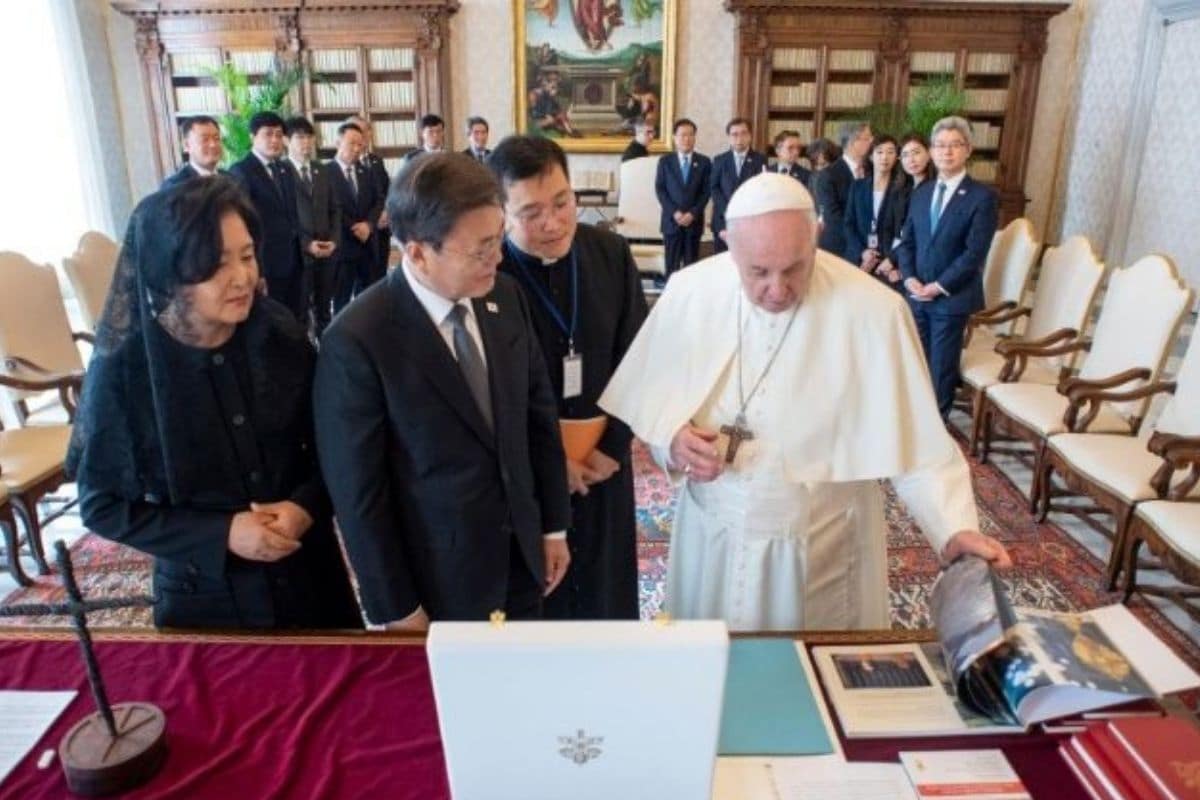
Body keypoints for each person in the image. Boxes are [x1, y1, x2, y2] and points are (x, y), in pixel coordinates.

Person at [599, 173, 1010, 632]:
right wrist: (672, 441)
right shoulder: (690, 292)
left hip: (821, 546)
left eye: (795, 267)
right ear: (728, 244)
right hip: (714, 538)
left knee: (813, 683)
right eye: (757, 272)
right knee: (710, 675)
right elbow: (655, 406)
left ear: (816, 236)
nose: (778, 289)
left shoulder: (872, 310)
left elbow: (917, 445)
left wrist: (953, 528)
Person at [66, 177, 361, 630]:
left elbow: (332, 448)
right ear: (170, 274)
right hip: (204, 595)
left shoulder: (279, 333)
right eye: (216, 265)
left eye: (247, 256)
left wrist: (305, 506)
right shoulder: (127, 369)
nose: (242, 277)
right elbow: (102, 505)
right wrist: (221, 533)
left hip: (309, 574)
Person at [313, 153, 571, 629]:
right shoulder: (358, 339)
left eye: (497, 239)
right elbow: (360, 497)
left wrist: (553, 526)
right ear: (416, 252)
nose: (496, 257)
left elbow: (537, 419)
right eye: (480, 249)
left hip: (521, 557)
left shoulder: (505, 296)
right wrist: (397, 607)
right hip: (437, 582)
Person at [488, 135, 648, 619]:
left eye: (562, 202)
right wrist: (549, 462)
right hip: (528, 470)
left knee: (604, 588)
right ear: (501, 214)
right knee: (541, 596)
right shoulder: (489, 278)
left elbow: (640, 359)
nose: (553, 223)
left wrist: (612, 449)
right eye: (531, 213)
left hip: (604, 463)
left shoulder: (610, 254)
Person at [893, 117, 998, 420]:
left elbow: (974, 252)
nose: (946, 152)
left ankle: (936, 428)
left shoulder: (983, 197)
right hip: (916, 292)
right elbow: (907, 240)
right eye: (939, 145)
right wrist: (910, 277)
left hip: (951, 297)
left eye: (954, 145)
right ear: (931, 150)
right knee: (916, 361)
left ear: (968, 150)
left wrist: (937, 286)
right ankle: (914, 421)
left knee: (941, 366)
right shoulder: (922, 192)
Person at [228, 111, 306, 321]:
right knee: (270, 321)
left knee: (295, 317)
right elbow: (243, 225)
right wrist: (257, 269)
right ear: (253, 137)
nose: (274, 140)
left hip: (293, 261)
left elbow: (292, 216)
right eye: (268, 134)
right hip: (267, 264)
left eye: (279, 135)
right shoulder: (240, 171)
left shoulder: (284, 169)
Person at [282, 116, 339, 335]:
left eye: (309, 137)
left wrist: (334, 240)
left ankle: (326, 353)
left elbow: (335, 209)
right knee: (300, 311)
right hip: (299, 253)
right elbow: (284, 217)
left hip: (327, 250)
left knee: (325, 308)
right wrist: (306, 244)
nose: (306, 143)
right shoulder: (282, 171)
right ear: (287, 141)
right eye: (299, 138)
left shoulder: (322, 170)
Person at [327, 122, 383, 313]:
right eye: (352, 143)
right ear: (337, 142)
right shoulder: (325, 173)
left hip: (367, 246)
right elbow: (331, 208)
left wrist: (368, 224)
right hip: (342, 248)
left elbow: (379, 201)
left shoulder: (366, 172)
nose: (357, 149)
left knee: (368, 302)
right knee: (340, 302)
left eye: (360, 145)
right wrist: (354, 227)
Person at [844, 134, 905, 290]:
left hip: (889, 265)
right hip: (860, 261)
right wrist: (862, 252)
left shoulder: (903, 190)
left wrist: (892, 259)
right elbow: (849, 224)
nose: (885, 157)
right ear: (871, 156)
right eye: (879, 152)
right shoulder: (858, 187)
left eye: (890, 152)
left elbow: (905, 231)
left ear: (897, 157)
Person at [655, 118, 710, 276]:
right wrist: (675, 212)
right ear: (674, 137)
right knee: (671, 268)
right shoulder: (665, 162)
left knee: (691, 268)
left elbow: (706, 192)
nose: (686, 139)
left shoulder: (704, 162)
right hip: (672, 223)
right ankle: (670, 299)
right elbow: (660, 189)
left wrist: (692, 213)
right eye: (682, 135)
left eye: (690, 135)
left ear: (695, 137)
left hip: (693, 223)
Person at [347, 115, 393, 283]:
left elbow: (387, 190)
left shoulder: (376, 160)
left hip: (381, 230)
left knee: (380, 277)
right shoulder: (343, 166)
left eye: (365, 131)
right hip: (358, 233)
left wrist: (386, 211)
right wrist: (371, 221)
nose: (362, 136)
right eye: (357, 131)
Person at [710, 117, 766, 254]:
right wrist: (728, 208)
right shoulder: (720, 160)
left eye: (744, 133)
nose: (739, 138)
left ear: (750, 136)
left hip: (749, 220)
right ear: (729, 137)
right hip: (723, 220)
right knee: (722, 263)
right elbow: (713, 187)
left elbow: (761, 189)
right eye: (735, 134)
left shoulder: (760, 160)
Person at [815, 122, 872, 256]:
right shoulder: (828, 175)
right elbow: (832, 216)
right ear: (853, 142)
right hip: (841, 248)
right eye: (867, 138)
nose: (872, 141)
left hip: (871, 249)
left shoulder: (872, 171)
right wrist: (859, 246)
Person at [162, 115, 223, 189]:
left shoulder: (232, 179)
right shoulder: (175, 186)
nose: (213, 145)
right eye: (205, 140)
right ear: (186, 146)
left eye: (216, 138)